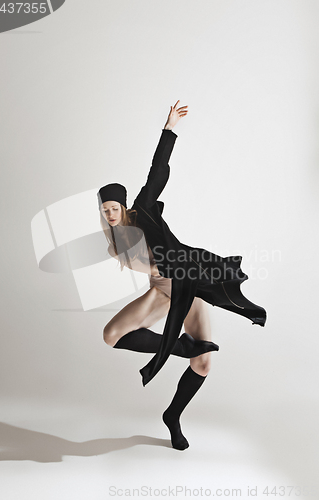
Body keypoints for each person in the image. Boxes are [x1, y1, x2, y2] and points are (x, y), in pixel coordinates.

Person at [97, 101, 267, 450]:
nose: (111, 214)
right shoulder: (114, 244)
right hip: (162, 291)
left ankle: (172, 415)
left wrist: (169, 130)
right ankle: (178, 347)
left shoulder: (141, 210)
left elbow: (157, 172)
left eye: (115, 208)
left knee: (202, 362)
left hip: (189, 285)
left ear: (124, 206)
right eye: (105, 210)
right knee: (112, 335)